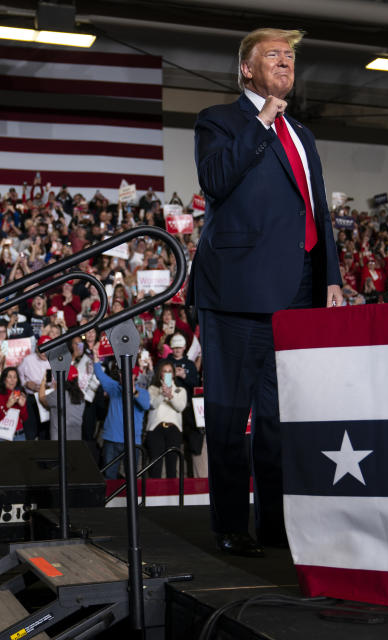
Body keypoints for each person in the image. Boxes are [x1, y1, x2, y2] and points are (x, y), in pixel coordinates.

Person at [191, 28, 343, 557]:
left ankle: (277, 527)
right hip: (236, 293)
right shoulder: (219, 120)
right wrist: (262, 121)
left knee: (279, 422)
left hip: (298, 293)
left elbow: (317, 209)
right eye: (273, 55)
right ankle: (231, 526)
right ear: (246, 71)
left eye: (291, 57)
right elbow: (215, 180)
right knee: (230, 418)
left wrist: (331, 277)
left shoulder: (303, 133)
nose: (286, 62)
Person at [145, 359, 187, 479]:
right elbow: (152, 405)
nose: (167, 373)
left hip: (174, 430)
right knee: (155, 465)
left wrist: (171, 396)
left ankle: (172, 495)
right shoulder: (153, 389)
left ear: (173, 374)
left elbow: (181, 407)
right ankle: (153, 496)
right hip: (155, 429)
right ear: (160, 373)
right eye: (164, 371)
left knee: (172, 465)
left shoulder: (180, 390)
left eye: (169, 371)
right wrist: (162, 394)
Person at [0, 366, 28, 440]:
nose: (12, 380)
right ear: (4, 379)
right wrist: (7, 405)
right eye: (9, 377)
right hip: (0, 435)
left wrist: (22, 406)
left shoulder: (20, 394)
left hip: (18, 435)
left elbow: (25, 418)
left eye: (15, 377)